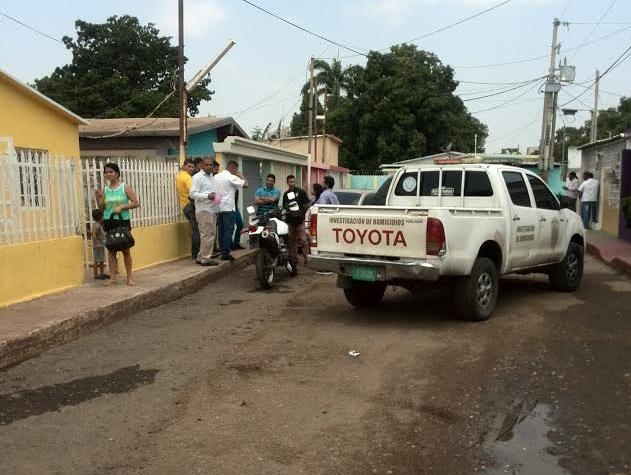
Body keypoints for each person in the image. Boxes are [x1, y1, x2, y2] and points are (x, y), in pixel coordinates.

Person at [95, 162, 140, 285]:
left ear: (117, 173)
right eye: (106, 172)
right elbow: (102, 208)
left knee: (125, 249)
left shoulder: (125, 187)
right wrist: (99, 198)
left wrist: (122, 207)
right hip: (109, 221)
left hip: (122, 221)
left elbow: (136, 202)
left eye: (111, 171)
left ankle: (129, 277)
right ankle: (113, 278)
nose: (108, 174)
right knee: (111, 249)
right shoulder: (105, 189)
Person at [214, 160, 248, 261]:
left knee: (221, 231)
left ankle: (222, 250)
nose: (236, 171)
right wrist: (241, 175)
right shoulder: (231, 176)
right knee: (228, 231)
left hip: (219, 207)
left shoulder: (216, 177)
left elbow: (215, 193)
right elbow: (246, 184)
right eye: (236, 169)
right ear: (233, 168)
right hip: (229, 208)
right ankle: (225, 253)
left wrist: (216, 207)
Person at [189, 157, 220, 266]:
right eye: (206, 165)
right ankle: (206, 259)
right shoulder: (197, 177)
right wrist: (207, 196)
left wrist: (217, 208)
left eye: (211, 165)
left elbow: (214, 194)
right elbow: (192, 194)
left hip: (212, 210)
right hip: (203, 210)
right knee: (207, 235)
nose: (209, 167)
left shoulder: (211, 177)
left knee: (209, 234)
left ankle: (200, 257)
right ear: (201, 166)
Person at [283, 175, 310, 265]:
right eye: (290, 182)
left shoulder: (301, 192)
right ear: (287, 183)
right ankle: (294, 259)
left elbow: (306, 204)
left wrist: (302, 213)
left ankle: (306, 258)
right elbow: (285, 207)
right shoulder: (285, 194)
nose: (292, 183)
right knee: (292, 240)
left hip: (300, 220)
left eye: (293, 182)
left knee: (303, 240)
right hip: (290, 221)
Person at [176, 158, 199, 260]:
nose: (191, 168)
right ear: (184, 166)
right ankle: (196, 253)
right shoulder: (187, 178)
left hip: (184, 206)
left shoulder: (179, 175)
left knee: (195, 230)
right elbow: (193, 193)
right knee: (196, 231)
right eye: (189, 166)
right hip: (190, 205)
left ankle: (196, 252)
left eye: (192, 167)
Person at [91, 208, 109, 280]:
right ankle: (96, 275)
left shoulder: (98, 225)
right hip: (98, 246)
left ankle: (101, 274)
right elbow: (93, 234)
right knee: (97, 261)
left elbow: (99, 234)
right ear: (100, 217)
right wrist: (97, 243)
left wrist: (105, 234)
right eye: (103, 216)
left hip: (101, 245)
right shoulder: (97, 226)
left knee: (101, 260)